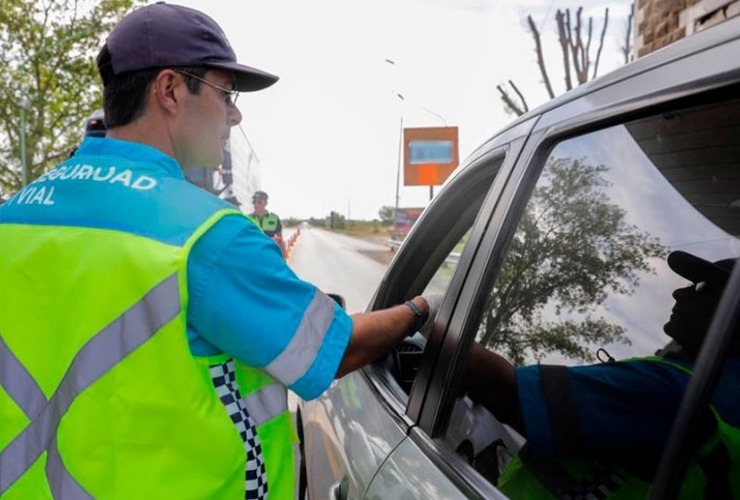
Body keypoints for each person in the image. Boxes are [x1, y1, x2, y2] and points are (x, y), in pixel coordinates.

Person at [0, 3, 438, 498]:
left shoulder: (13, 216)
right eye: (225, 92)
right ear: (169, 90)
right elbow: (333, 349)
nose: (235, 112)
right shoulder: (206, 234)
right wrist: (423, 308)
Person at [464, 250, 740, 498]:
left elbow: (508, 394)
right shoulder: (725, 398)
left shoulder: (676, 389)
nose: (679, 292)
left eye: (701, 287)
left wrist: (433, 315)